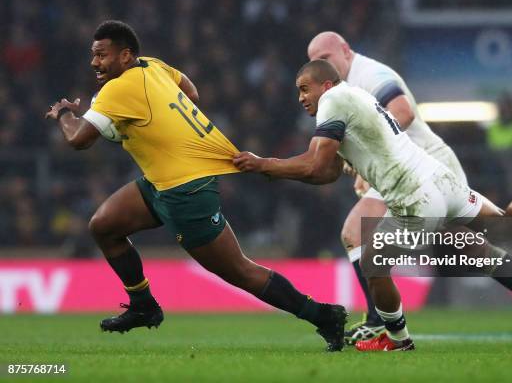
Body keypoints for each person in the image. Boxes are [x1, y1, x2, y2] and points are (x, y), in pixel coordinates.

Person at [233, 60, 512, 351]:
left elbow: (314, 164)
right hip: (441, 178)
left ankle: (396, 338)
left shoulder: (335, 98)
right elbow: (324, 173)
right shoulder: (357, 96)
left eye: (304, 89)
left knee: (372, 260)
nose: (300, 98)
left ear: (326, 82)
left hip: (414, 194)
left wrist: (264, 164)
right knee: (504, 226)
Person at [44, 20, 347, 352]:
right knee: (104, 225)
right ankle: (143, 305)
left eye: (101, 55)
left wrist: (64, 114)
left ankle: (324, 316)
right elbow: (191, 92)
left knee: (241, 272)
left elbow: (78, 140)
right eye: (93, 55)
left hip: (185, 192)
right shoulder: (153, 66)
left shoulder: (119, 90)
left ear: (126, 55)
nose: (94, 63)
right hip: (161, 181)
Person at [307, 31, 468, 343]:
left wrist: (369, 156)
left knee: (470, 247)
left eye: (325, 59)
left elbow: (403, 112)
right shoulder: (339, 92)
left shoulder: (371, 74)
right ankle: (377, 317)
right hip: (396, 171)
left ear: (345, 50)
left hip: (428, 165)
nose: (321, 66)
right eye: (315, 63)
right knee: (354, 232)